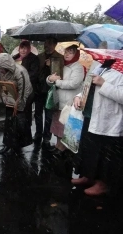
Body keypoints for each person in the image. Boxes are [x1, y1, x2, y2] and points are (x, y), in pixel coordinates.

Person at [72, 62, 123, 196]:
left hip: (108, 120)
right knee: (89, 149)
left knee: (105, 154)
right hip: (90, 115)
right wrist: (78, 96)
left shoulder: (121, 69)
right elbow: (88, 86)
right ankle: (88, 175)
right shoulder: (101, 65)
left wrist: (104, 84)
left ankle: (103, 183)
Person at [0, 53, 33, 155]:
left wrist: (19, 106)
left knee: (18, 120)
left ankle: (16, 145)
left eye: (2, 67)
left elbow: (24, 91)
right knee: (9, 121)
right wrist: (0, 102)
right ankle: (7, 144)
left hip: (25, 96)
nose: (0, 70)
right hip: (10, 95)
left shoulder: (20, 71)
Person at [46, 45, 84, 153]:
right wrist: (50, 78)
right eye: (66, 52)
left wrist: (57, 81)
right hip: (58, 102)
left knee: (65, 127)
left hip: (68, 103)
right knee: (57, 126)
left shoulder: (78, 67)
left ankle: (63, 148)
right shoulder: (60, 64)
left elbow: (73, 83)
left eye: (70, 52)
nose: (67, 54)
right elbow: (50, 79)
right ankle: (58, 145)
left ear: (76, 54)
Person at [34, 37, 64, 151]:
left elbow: (60, 74)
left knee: (49, 115)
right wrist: (43, 66)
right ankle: (38, 133)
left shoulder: (59, 58)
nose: (47, 45)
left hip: (51, 90)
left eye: (50, 43)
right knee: (37, 113)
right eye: (45, 43)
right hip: (39, 89)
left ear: (55, 44)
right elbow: (36, 72)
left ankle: (46, 137)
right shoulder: (39, 57)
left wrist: (51, 66)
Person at [12, 40, 39, 134]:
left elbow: (33, 74)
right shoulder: (14, 58)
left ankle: (26, 131)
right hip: (16, 89)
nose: (23, 50)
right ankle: (17, 131)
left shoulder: (34, 59)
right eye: (21, 48)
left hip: (28, 90)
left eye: (25, 48)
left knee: (25, 110)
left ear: (29, 49)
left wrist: (21, 79)